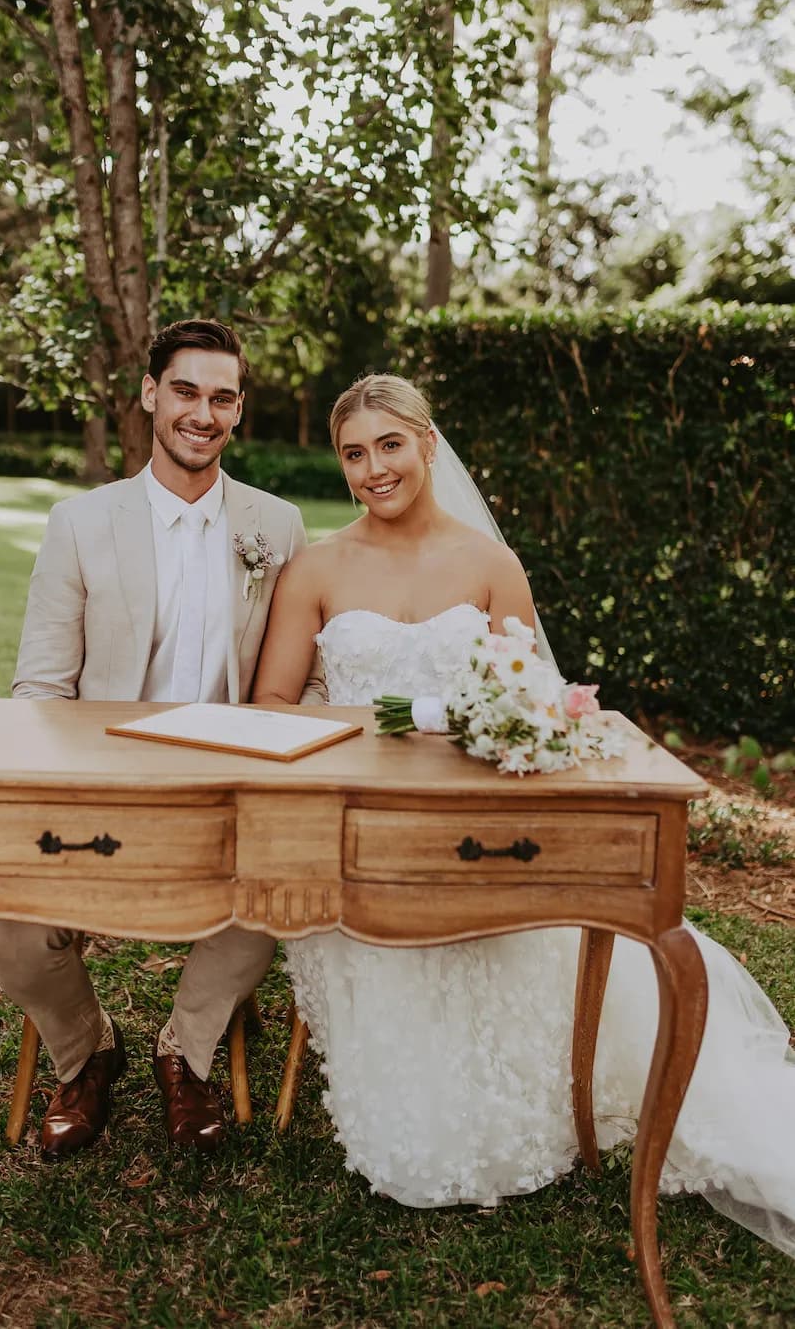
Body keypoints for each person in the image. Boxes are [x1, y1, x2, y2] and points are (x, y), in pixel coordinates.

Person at [252, 372, 795, 1259]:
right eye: (354, 453)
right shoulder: (317, 566)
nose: (373, 468)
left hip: (483, 828)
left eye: (390, 445)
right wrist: (370, 736)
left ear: (429, 445)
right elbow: (272, 701)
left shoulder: (489, 565)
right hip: (363, 834)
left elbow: (535, 705)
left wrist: (496, 728)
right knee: (406, 1127)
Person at [0, 318, 319, 1161]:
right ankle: (87, 1049)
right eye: (185, 392)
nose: (202, 413)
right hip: (102, 788)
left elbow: (304, 678)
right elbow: (41, 686)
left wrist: (272, 754)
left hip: (229, 791)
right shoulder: (80, 523)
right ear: (149, 395)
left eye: (222, 397)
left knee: (276, 888)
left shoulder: (276, 528)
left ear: (239, 410)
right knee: (9, 932)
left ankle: (186, 1050)